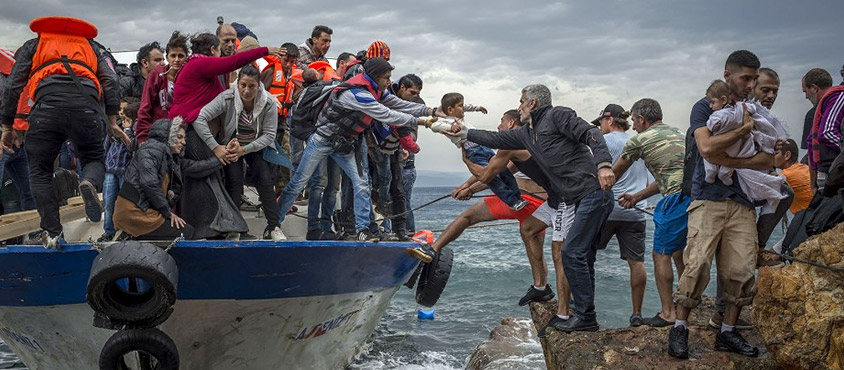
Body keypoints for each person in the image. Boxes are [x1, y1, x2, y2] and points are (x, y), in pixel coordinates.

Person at [453, 84, 616, 332]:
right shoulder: (527, 134)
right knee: (583, 255)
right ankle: (586, 316)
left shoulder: (558, 115)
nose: (519, 107)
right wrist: (464, 132)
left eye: (521, 101)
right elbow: (494, 138)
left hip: (593, 193)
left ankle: (584, 317)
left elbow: (590, 132)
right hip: (575, 198)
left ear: (532, 103)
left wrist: (604, 164)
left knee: (571, 253)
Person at [407, 110, 573, 308]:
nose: (498, 126)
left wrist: (467, 184)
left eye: (501, 121)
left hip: (523, 200)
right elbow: (493, 169)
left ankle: (433, 249)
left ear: (511, 124)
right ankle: (541, 287)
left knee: (468, 217)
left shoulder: (514, 145)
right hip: (543, 202)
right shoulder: (532, 141)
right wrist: (465, 187)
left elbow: (492, 174)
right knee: (532, 237)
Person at [276, 58, 439, 242]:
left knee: (361, 184)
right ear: (375, 77)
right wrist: (421, 121)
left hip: (344, 144)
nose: (389, 82)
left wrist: (431, 111)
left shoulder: (377, 91)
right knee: (299, 182)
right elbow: (386, 113)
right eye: (386, 77)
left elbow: (399, 104)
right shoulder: (356, 94)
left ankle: (363, 230)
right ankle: (274, 224)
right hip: (322, 140)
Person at [670, 50, 767, 359]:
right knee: (696, 264)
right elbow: (706, 147)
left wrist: (732, 161)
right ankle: (679, 328)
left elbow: (768, 159)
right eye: (745, 78)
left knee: (740, 270)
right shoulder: (705, 106)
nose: (750, 85)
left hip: (743, 201)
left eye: (754, 79)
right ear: (728, 75)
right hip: (707, 198)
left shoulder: (755, 109)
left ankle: (727, 331)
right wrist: (742, 131)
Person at [0, 16, 126, 248]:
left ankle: (52, 233)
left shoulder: (34, 44)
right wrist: (112, 119)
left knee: (40, 170)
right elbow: (111, 80)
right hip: (87, 109)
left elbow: (13, 85)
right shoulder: (94, 47)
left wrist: (8, 125)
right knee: (93, 158)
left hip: (46, 110)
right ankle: (87, 182)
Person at [169, 33, 279, 239]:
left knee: (212, 180)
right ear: (212, 50)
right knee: (205, 180)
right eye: (221, 46)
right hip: (191, 131)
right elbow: (232, 62)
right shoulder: (199, 64)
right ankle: (211, 230)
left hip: (197, 130)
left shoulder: (204, 75)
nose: (225, 49)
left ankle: (222, 228)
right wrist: (265, 51)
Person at [612, 98, 688, 328]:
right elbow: (668, 175)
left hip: (675, 199)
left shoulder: (639, 140)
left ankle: (668, 313)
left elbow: (613, 174)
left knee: (661, 255)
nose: (633, 126)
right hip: (695, 195)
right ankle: (688, 300)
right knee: (678, 252)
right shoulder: (678, 134)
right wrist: (636, 197)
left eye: (634, 120)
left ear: (642, 119)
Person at [193, 64, 283, 241]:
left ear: (259, 86)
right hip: (231, 145)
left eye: (252, 86)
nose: (247, 90)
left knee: (265, 179)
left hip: (256, 146)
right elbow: (200, 118)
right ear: (237, 83)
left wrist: (245, 150)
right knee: (234, 182)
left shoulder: (269, 102)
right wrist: (216, 147)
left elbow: (270, 135)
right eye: (243, 85)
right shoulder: (227, 98)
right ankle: (234, 227)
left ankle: (274, 227)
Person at [591, 103, 649, 327]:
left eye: (601, 123)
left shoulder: (604, 142)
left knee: (585, 256)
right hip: (634, 211)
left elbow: (594, 174)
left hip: (607, 208)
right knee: (637, 263)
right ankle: (637, 313)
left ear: (610, 121)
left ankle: (582, 306)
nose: (600, 128)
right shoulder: (639, 142)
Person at [426, 93, 527, 211]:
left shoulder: (460, 117)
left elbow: (467, 107)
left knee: (503, 170)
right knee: (490, 177)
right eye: (460, 106)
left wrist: (477, 108)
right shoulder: (445, 122)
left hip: (484, 146)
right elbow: (434, 126)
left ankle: (518, 198)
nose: (463, 108)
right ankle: (512, 201)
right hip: (473, 151)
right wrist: (451, 128)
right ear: (450, 109)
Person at [703, 80, 787, 215]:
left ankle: (711, 174)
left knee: (710, 160)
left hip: (730, 145)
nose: (710, 106)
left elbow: (712, 125)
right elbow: (753, 109)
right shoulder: (742, 107)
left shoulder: (719, 114)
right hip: (739, 148)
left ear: (723, 99)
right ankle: (723, 175)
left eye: (712, 102)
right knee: (725, 165)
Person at [114, 118, 194, 240]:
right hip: (134, 212)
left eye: (184, 138)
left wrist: (221, 158)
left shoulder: (169, 158)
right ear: (168, 136)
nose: (183, 142)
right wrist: (167, 212)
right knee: (186, 232)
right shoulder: (152, 150)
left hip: (143, 211)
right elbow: (149, 183)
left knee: (185, 231)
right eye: (179, 137)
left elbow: (195, 167)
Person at [136, 31, 189, 145]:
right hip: (158, 133)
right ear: (167, 57)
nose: (176, 60)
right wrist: (142, 137)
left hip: (183, 133)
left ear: (186, 57)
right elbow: (145, 107)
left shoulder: (190, 76)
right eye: (173, 56)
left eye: (181, 56)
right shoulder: (156, 75)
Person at [389, 74, 424, 234]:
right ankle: (395, 231)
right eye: (412, 92)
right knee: (390, 200)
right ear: (402, 87)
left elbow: (412, 131)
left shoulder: (415, 102)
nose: (414, 96)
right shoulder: (390, 97)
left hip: (406, 164)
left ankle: (408, 232)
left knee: (403, 202)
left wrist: (407, 144)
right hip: (390, 158)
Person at [100, 99, 137, 241]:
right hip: (110, 170)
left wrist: (127, 131)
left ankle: (127, 231)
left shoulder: (133, 130)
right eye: (119, 110)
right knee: (108, 202)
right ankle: (108, 232)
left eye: (124, 111)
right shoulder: (113, 128)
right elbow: (106, 147)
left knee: (125, 204)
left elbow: (131, 147)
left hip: (125, 172)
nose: (121, 114)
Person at [804, 68, 844, 192]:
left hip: (825, 171)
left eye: (805, 92)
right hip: (835, 171)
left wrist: (813, 181)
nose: (805, 96)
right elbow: (827, 132)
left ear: (814, 88)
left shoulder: (822, 107)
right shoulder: (840, 96)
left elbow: (811, 142)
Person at [775, 139, 812, 214]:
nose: (770, 157)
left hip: (809, 218)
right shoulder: (804, 167)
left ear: (787, 155)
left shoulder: (786, 175)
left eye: (775, 153)